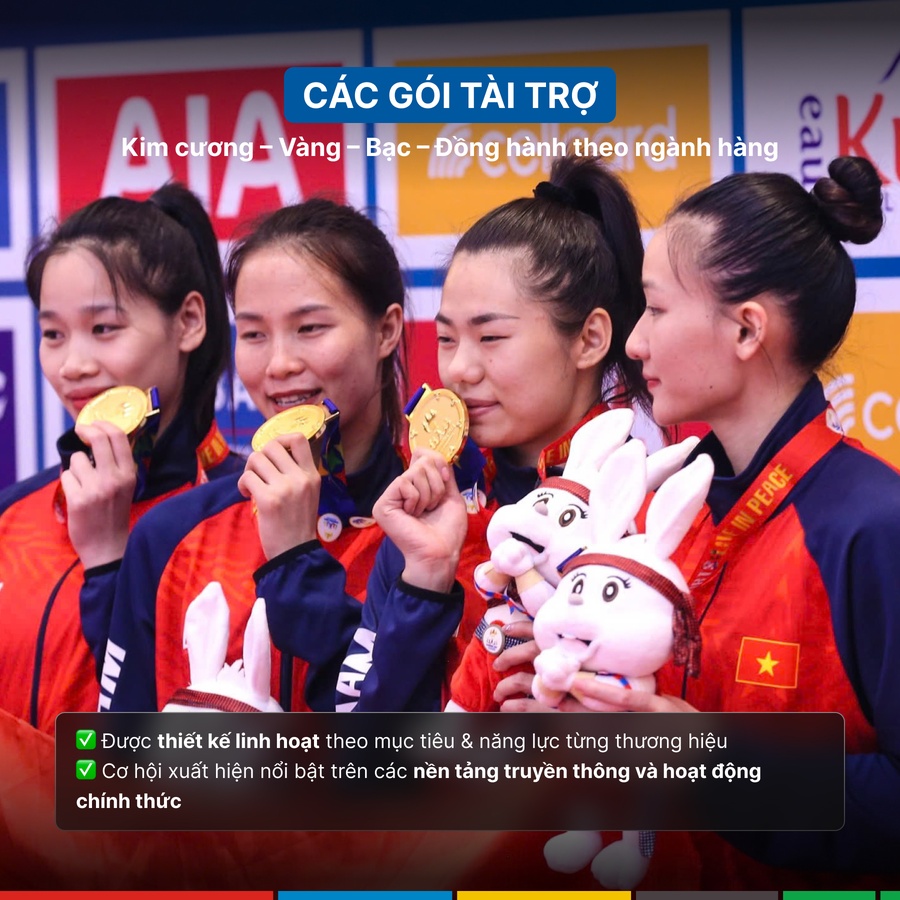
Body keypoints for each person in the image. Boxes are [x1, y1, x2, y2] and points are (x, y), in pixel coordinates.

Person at [547, 156, 900, 887]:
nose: (634, 343)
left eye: (656, 309)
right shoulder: (656, 510)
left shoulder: (871, 526)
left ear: (746, 330)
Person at [336, 154, 653, 712]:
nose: (459, 370)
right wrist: (424, 584)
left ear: (589, 339)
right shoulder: (426, 514)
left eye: (491, 338)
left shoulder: (646, 518)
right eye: (447, 339)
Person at [100, 198, 406, 713]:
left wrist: (295, 562)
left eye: (310, 328)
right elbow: (112, 754)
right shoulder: (171, 534)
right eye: (254, 334)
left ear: (386, 330)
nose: (279, 364)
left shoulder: (438, 535)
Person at [0, 183, 239, 735]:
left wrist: (111, 564)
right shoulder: (12, 513)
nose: (72, 365)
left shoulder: (246, 514)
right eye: (53, 334)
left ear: (189, 322)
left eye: (103, 329)